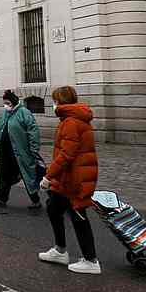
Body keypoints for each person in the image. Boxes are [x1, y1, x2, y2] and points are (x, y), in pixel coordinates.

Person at [38, 85, 101, 275]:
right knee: (53, 207)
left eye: (55, 101)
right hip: (68, 178)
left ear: (61, 102)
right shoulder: (72, 119)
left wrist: (49, 176)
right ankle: (60, 250)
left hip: (75, 178)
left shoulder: (71, 122)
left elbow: (67, 155)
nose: (53, 104)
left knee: (78, 216)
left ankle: (91, 260)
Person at [0, 90, 42, 209]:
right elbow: (1, 127)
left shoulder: (24, 113)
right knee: (5, 174)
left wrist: (34, 148)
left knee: (27, 175)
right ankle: (1, 199)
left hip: (20, 152)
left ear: (13, 102)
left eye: (7, 103)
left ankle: (36, 200)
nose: (6, 105)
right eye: (4, 103)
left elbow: (33, 131)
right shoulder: (5, 114)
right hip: (6, 151)